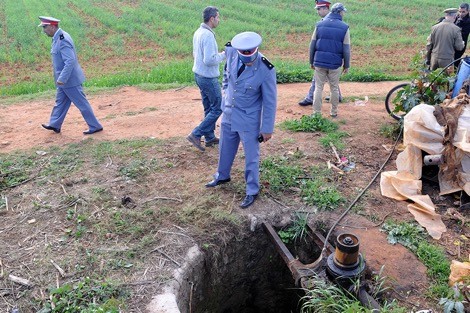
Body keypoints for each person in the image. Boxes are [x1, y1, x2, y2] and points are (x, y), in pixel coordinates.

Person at [205, 32, 277, 209]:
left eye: (250, 53)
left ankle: (252, 190)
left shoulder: (266, 69)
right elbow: (227, 77)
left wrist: (267, 128)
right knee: (225, 147)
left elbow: (270, 101)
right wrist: (225, 95)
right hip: (229, 112)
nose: (247, 57)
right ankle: (222, 176)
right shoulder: (231, 53)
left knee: (251, 156)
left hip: (249, 118)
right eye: (243, 53)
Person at [38, 16, 103, 135]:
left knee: (82, 104)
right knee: (60, 102)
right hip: (63, 80)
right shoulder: (57, 37)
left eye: (45, 27)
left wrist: (62, 79)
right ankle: (55, 124)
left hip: (69, 80)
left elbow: (70, 61)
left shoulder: (62, 40)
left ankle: (95, 126)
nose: (44, 31)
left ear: (52, 26)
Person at [187, 6, 226, 152]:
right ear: (212, 19)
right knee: (218, 108)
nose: (219, 20)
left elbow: (196, 54)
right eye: (218, 17)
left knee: (209, 108)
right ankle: (196, 134)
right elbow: (209, 60)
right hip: (208, 78)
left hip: (199, 75)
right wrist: (224, 55)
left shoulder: (198, 32)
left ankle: (209, 137)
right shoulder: (208, 35)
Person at [310, 3, 350, 118]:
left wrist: (311, 61)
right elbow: (346, 48)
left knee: (318, 87)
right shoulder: (344, 27)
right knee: (334, 88)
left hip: (319, 61)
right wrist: (346, 65)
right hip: (335, 63)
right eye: (343, 12)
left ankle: (316, 113)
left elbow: (312, 44)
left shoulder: (319, 24)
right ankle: (333, 112)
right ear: (340, 12)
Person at [299, 0, 342, 106]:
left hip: (325, 55)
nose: (318, 11)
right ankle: (337, 96)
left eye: (319, 9)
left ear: (326, 9)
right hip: (330, 55)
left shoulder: (325, 23)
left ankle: (311, 97)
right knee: (330, 77)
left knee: (320, 78)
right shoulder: (332, 21)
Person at [455, 3, 470, 68]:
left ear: (468, 11)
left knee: (455, 60)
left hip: (461, 44)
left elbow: (464, 33)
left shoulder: (468, 21)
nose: (461, 14)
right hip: (452, 43)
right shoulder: (456, 17)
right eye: (460, 11)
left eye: (463, 12)